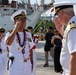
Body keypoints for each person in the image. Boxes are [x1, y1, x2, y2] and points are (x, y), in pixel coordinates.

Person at [5, 9, 36, 75]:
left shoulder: (28, 34)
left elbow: (30, 50)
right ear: (15, 22)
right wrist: (15, 29)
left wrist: (32, 63)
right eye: (21, 20)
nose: (24, 22)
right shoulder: (10, 34)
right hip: (16, 65)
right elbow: (8, 43)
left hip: (27, 64)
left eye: (25, 19)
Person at [53, 1, 76, 75]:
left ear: (61, 13)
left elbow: (75, 55)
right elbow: (70, 43)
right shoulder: (73, 24)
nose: (58, 19)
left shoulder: (72, 27)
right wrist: (61, 30)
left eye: (57, 15)